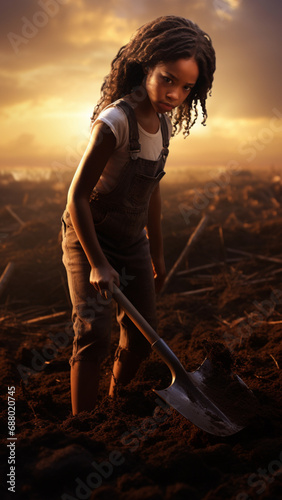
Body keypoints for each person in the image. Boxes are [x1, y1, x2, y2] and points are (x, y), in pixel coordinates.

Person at [61, 15, 216, 415]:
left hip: (132, 240)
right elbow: (76, 197)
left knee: (143, 334)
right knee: (93, 331)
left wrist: (157, 254)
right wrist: (97, 264)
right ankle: (82, 423)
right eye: (167, 79)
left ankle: (113, 405)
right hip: (88, 236)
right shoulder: (114, 123)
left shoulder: (163, 126)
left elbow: (151, 193)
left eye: (186, 87)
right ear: (146, 65)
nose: (174, 93)